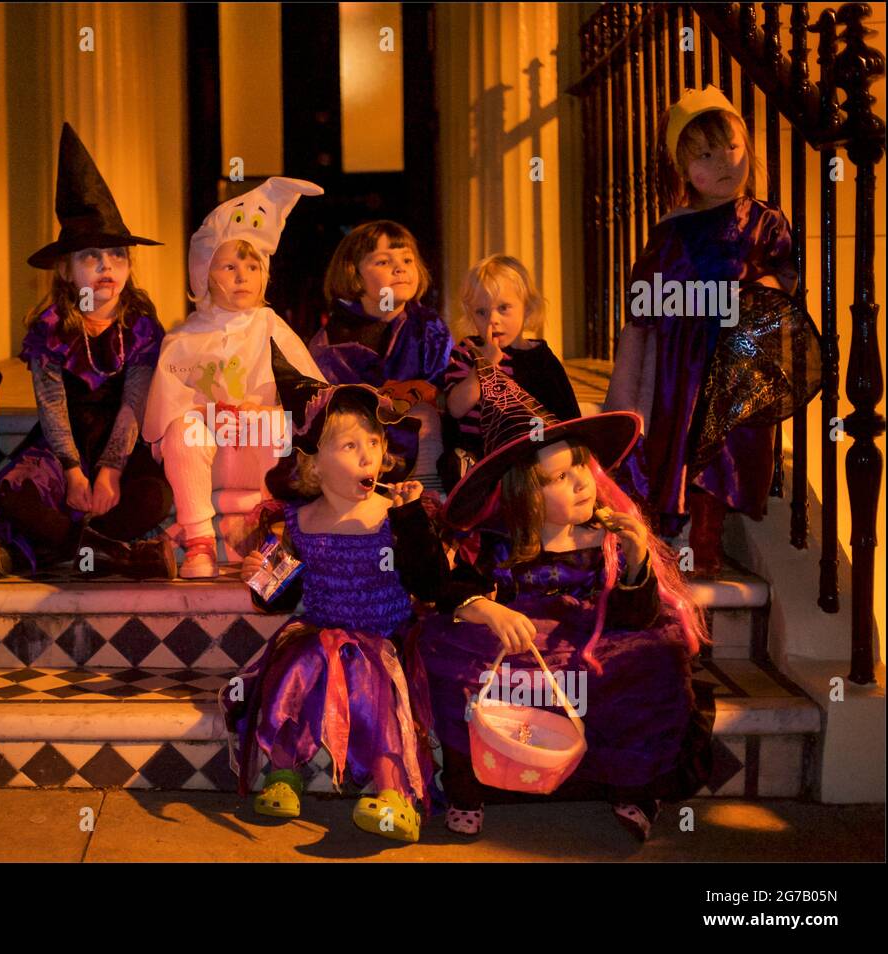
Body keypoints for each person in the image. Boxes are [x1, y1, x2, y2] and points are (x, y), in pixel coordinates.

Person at [420, 366, 714, 841]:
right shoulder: (497, 543)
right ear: (525, 495)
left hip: (589, 645)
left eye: (580, 465)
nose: (581, 482)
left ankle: (632, 786)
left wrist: (637, 559)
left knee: (651, 658)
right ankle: (467, 787)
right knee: (454, 660)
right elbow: (452, 589)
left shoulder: (605, 539)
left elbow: (631, 617)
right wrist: (487, 609)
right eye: (559, 477)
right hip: (520, 647)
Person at [224, 342, 466, 843]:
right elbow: (278, 601)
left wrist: (410, 523)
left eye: (374, 444)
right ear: (314, 460)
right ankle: (284, 770)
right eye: (350, 446)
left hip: (387, 640)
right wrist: (261, 576)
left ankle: (391, 790)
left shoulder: (393, 512)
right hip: (320, 631)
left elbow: (429, 584)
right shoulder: (297, 522)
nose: (368, 456)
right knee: (298, 664)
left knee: (370, 673)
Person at [604, 86, 808, 574]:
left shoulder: (764, 221)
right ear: (682, 166)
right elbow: (644, 294)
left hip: (738, 357)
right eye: (705, 155)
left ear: (749, 147)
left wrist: (760, 288)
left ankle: (708, 536)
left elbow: (786, 274)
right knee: (685, 442)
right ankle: (681, 532)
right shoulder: (674, 229)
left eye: (732, 147)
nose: (723, 163)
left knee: (731, 445)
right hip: (685, 361)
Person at [0, 124, 174, 578]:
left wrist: (109, 470)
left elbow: (133, 404)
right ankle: (106, 551)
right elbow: (52, 407)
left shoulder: (141, 328)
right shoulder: (49, 329)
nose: (107, 265)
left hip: (119, 444)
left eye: (117, 255)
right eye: (91, 256)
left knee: (154, 497)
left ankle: (67, 550)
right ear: (66, 271)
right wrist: (72, 469)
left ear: (129, 267)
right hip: (64, 445)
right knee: (14, 491)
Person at [143, 177, 327, 578]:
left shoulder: (272, 328)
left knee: (282, 426)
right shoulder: (184, 337)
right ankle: (199, 542)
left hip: (258, 453)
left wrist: (266, 411)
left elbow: (313, 399)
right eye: (229, 266)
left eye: (252, 266)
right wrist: (207, 413)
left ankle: (269, 535)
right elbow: (165, 413)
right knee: (183, 432)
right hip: (211, 457)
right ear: (204, 274)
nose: (242, 276)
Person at [309, 220, 452, 488]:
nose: (400, 268)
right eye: (383, 262)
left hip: (420, 454)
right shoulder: (334, 339)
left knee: (425, 415)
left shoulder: (429, 328)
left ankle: (429, 501)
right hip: (358, 454)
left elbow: (443, 389)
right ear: (354, 274)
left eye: (408, 260)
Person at [439, 253, 579, 492]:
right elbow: (455, 407)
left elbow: (567, 415)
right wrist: (483, 367)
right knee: (454, 466)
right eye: (481, 312)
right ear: (470, 314)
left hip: (528, 453)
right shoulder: (467, 351)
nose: (493, 320)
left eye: (503, 308)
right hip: (477, 454)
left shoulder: (541, 358)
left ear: (527, 308)